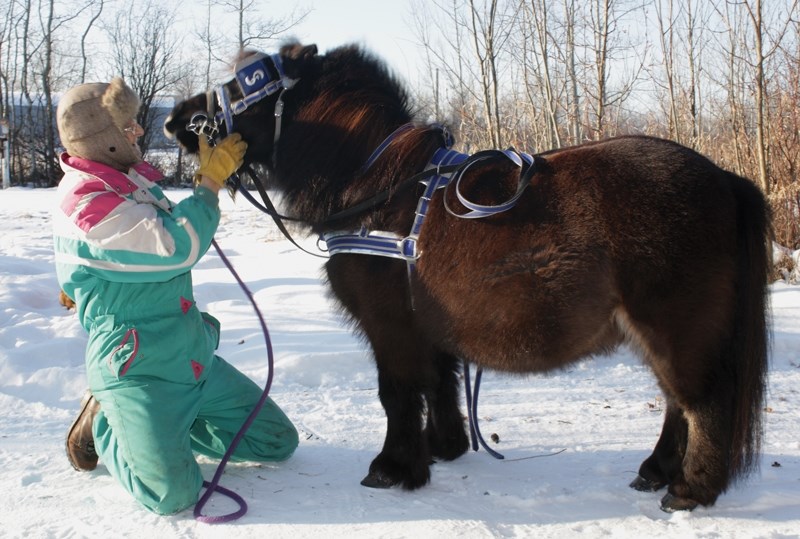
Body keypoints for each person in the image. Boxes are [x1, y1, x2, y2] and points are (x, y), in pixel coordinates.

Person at [52, 77, 298, 515]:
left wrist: (76, 279)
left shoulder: (124, 181)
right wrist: (208, 185)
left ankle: (161, 432)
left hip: (188, 354)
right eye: (127, 127)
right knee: (173, 496)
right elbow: (173, 249)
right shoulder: (86, 199)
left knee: (276, 441)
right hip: (139, 368)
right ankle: (108, 421)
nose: (137, 132)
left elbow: (131, 243)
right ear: (102, 138)